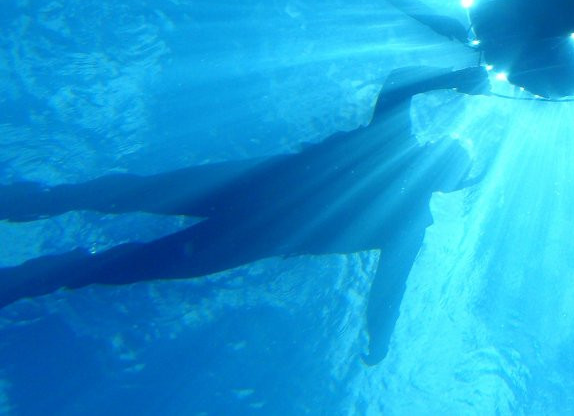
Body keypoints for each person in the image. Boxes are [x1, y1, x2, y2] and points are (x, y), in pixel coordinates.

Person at [0, 67, 488, 365]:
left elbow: (389, 289)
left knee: (129, 241)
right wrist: (454, 77)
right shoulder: (395, 159)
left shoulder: (405, 208)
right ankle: (38, 223)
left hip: (251, 216)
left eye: (454, 165)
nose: (445, 162)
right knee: (127, 203)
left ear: (447, 181)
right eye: (452, 157)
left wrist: (378, 334)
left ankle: (38, 268)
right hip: (250, 199)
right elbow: (399, 84)